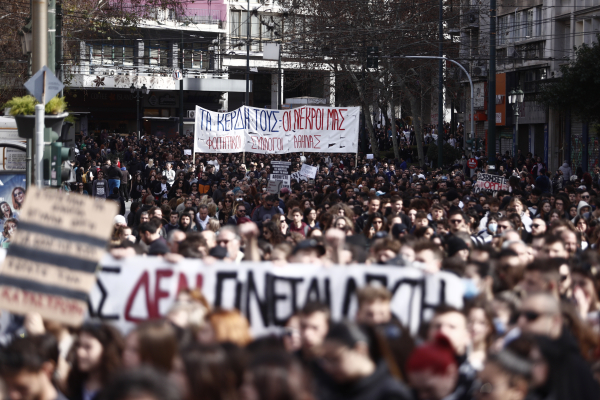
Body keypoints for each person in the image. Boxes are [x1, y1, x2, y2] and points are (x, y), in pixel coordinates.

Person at [318, 321, 413, 400]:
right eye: (326, 360)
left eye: (335, 359)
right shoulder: (331, 390)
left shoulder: (391, 394)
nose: (328, 367)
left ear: (360, 350)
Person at [65, 322, 124, 400]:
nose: (80, 352)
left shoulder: (120, 391)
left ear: (107, 350)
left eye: (88, 347)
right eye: (79, 345)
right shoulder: (73, 384)